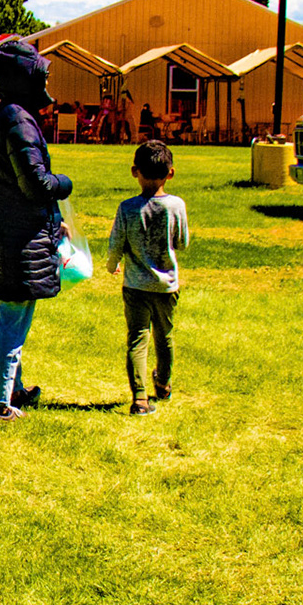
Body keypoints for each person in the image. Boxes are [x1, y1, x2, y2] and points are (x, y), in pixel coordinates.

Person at [0, 39, 72, 421]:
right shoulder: (16, 120)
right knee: (13, 319)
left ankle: (14, 388)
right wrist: (63, 183)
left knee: (17, 313)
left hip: (12, 229)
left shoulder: (8, 115)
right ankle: (2, 402)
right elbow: (35, 183)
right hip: (14, 236)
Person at [106, 139, 191, 416]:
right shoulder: (176, 205)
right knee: (165, 336)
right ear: (171, 172)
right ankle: (163, 384)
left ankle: (140, 398)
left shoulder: (127, 208)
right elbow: (182, 243)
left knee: (137, 339)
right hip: (167, 286)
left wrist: (112, 265)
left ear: (135, 171)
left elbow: (116, 243)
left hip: (135, 286)